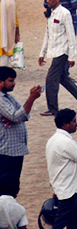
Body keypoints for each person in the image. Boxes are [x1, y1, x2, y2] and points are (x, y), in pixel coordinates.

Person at [38, 0, 77, 116]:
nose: (48, 1)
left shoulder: (65, 13)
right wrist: (42, 53)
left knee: (51, 80)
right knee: (63, 79)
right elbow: (47, 34)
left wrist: (72, 56)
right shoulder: (51, 14)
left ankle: (53, 109)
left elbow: (71, 36)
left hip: (62, 52)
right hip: (54, 51)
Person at [0, 67, 39, 197]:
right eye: (10, 81)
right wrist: (31, 98)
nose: (14, 83)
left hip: (14, 150)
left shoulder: (9, 98)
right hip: (6, 152)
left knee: (12, 187)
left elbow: (24, 116)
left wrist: (16, 118)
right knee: (6, 188)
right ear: (1, 82)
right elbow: (18, 116)